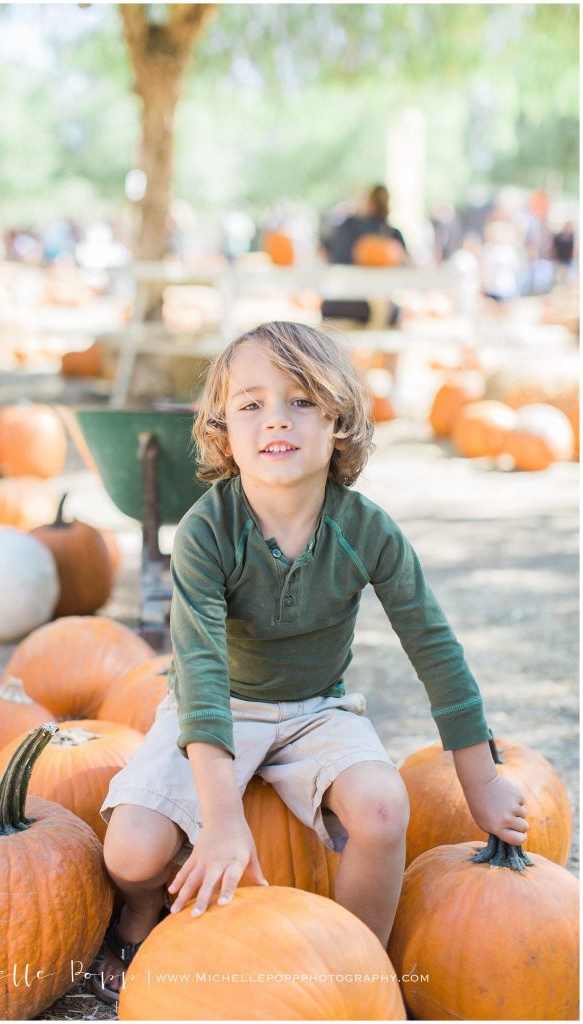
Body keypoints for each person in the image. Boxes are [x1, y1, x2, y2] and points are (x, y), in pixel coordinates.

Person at [91, 321, 528, 1002]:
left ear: (339, 424)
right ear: (222, 432)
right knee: (131, 853)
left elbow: (433, 648)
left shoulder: (366, 531)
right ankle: (140, 913)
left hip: (315, 709)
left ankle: (350, 975)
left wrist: (481, 783)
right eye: (251, 403)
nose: (276, 420)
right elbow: (201, 676)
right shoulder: (207, 532)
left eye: (301, 401)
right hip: (217, 708)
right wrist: (222, 819)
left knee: (383, 813)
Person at [321, 185, 409, 328]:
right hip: (374, 310)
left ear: (368, 202)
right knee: (393, 314)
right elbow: (405, 267)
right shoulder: (391, 235)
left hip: (335, 305)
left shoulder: (345, 228)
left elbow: (325, 253)